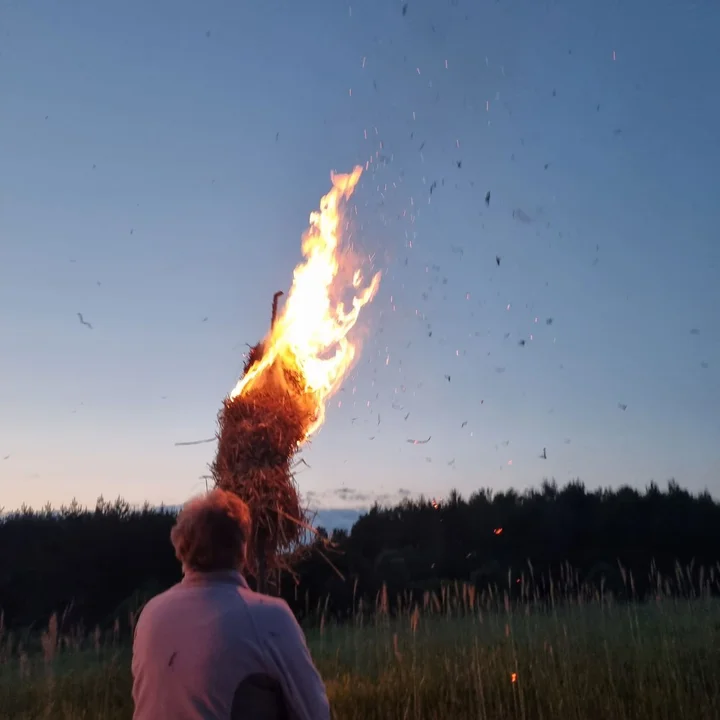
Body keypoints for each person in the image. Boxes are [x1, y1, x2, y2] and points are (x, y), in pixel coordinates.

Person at [132, 489, 330, 720]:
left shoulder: (150, 614)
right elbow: (315, 712)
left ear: (181, 548)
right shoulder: (269, 617)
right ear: (242, 550)